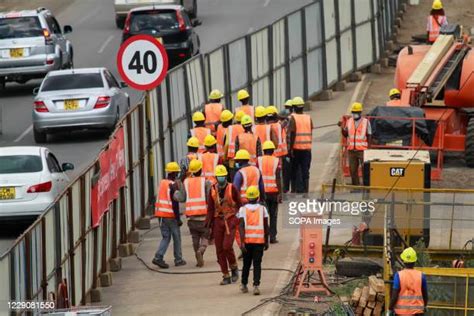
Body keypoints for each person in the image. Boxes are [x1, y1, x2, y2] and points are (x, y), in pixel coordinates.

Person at [207, 165, 242, 285]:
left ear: (226, 176)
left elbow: (239, 204)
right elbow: (210, 208)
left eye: (223, 176)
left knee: (227, 246)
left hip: (230, 219)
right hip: (218, 221)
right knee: (219, 249)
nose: (221, 178)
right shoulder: (212, 189)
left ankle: (234, 268)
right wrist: (208, 223)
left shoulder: (232, 188)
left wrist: (238, 218)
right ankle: (225, 274)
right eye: (219, 176)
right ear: (216, 177)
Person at [177, 159, 212, 267]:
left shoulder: (186, 182)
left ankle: (197, 257)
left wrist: (175, 194)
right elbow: (209, 198)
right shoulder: (206, 182)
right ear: (201, 170)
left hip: (191, 218)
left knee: (194, 237)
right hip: (204, 217)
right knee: (205, 236)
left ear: (191, 171)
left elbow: (182, 198)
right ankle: (201, 251)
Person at [152, 162, 187, 268]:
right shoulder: (172, 186)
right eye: (176, 173)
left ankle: (158, 257)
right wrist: (178, 219)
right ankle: (178, 259)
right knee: (176, 237)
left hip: (161, 215)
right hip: (169, 215)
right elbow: (176, 202)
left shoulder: (162, 182)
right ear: (174, 173)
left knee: (166, 237)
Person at [238, 186, 269, 296]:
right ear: (258, 197)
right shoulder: (263, 209)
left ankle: (244, 284)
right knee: (257, 264)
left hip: (247, 242)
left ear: (247, 197)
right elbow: (266, 226)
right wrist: (267, 240)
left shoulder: (242, 210)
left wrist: (241, 242)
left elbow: (241, 226)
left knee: (246, 264)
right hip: (259, 242)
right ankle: (256, 285)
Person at [389, 247, 428, 315]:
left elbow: (394, 296)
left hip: (401, 313)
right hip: (417, 313)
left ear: (403, 261)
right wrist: (424, 306)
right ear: (415, 261)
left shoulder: (398, 275)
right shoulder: (421, 276)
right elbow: (425, 295)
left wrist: (390, 308)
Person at [340, 102, 371, 186]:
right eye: (353, 112)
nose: (354, 114)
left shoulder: (365, 122)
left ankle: (366, 187)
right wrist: (342, 128)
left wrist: (369, 149)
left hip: (362, 150)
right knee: (352, 170)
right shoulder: (349, 121)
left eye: (356, 112)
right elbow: (346, 134)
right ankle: (355, 187)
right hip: (351, 150)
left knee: (365, 169)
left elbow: (369, 135)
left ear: (360, 112)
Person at [257, 141, 282, 243]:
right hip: (273, 192)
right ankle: (272, 237)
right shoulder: (276, 160)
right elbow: (278, 178)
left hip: (262, 192)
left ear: (264, 150)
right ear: (272, 151)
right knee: (273, 215)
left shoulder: (259, 161)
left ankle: (264, 236)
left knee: (263, 215)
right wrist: (280, 193)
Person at [288, 96, 313, 196]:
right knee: (305, 170)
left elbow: (292, 134)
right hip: (307, 148)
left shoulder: (293, 118)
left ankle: (293, 190)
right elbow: (310, 130)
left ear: (294, 107)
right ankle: (306, 191)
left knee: (294, 169)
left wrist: (290, 149)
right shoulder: (308, 117)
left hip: (296, 148)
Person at [225, 110, 246, 178]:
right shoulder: (245, 128)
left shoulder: (230, 128)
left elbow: (227, 144)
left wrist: (225, 157)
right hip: (243, 158)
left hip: (232, 159)